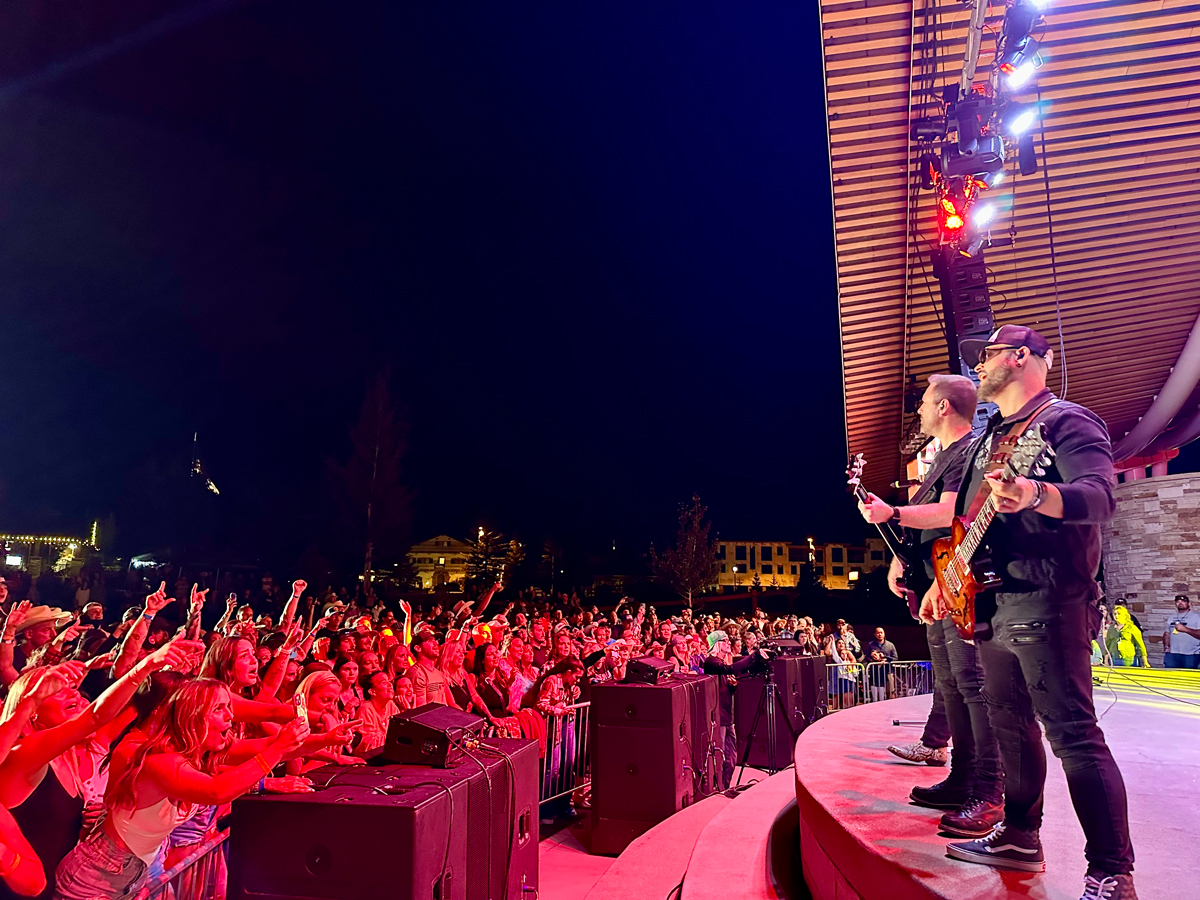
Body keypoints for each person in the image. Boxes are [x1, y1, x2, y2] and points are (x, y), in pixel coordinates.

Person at [918, 325, 1136, 898]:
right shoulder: (989, 438)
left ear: (1021, 358)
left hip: (1049, 599)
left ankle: (1111, 870)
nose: (977, 368)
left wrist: (1038, 494)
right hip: (993, 605)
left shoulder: (1067, 422)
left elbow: (1101, 496)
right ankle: (1018, 835)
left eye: (985, 356)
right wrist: (948, 580)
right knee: (1011, 726)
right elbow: (965, 525)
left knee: (1072, 735)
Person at [860, 373, 1002, 836]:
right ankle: (962, 777)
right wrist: (900, 562)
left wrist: (894, 512)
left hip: (959, 585)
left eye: (923, 402)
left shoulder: (969, 452)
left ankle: (988, 787)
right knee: (954, 683)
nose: (917, 409)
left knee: (972, 683)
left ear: (944, 407)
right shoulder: (943, 457)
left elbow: (950, 514)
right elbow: (926, 531)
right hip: (934, 586)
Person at [53, 679, 308, 900]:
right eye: (219, 708)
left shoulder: (187, 756)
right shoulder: (159, 760)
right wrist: (277, 751)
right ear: (192, 715)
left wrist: (327, 739)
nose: (231, 716)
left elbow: (259, 748)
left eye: (228, 707)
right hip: (94, 879)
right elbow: (216, 792)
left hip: (128, 876)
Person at [356, 671, 399, 757]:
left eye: (389, 681)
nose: (390, 685)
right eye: (384, 682)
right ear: (372, 692)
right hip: (368, 759)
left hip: (387, 754)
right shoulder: (365, 709)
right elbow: (367, 745)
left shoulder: (391, 705)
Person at [408, 630, 452, 707]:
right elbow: (420, 711)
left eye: (435, 640)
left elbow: (449, 704)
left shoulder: (439, 674)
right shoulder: (416, 674)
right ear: (418, 648)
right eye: (430, 641)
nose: (436, 643)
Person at [1162, 594, 1200, 668]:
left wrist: (1185, 629)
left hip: (1191, 654)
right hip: (1172, 654)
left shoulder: (1196, 617)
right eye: (1178, 601)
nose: (1180, 603)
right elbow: (1167, 634)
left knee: (1188, 677)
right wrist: (1166, 647)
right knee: (1171, 676)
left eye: (1183, 601)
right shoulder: (1172, 617)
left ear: (1188, 604)